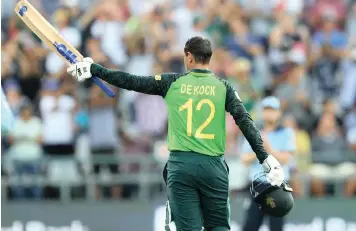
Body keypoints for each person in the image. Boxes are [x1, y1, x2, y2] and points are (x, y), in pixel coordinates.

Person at [67, 36, 284, 231]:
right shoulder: (223, 87)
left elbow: (131, 81)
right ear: (208, 58)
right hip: (214, 167)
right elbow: (244, 120)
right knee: (218, 227)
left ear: (189, 57)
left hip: (182, 166)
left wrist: (94, 69)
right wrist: (265, 158)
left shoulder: (173, 83)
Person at [241, 96, 296, 231]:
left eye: (272, 110)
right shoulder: (253, 131)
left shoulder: (286, 132)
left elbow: (286, 158)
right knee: (251, 225)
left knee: (276, 226)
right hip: (258, 185)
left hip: (277, 187)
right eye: (266, 110)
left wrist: (268, 149)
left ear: (279, 113)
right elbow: (244, 159)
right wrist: (259, 150)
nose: (269, 113)